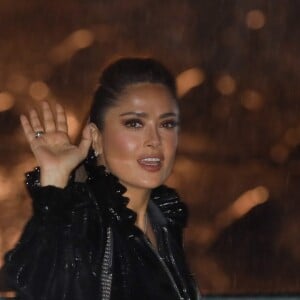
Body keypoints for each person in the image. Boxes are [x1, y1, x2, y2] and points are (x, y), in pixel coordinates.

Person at [4, 58, 200, 300]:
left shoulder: (163, 220)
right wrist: (55, 182)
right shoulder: (83, 222)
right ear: (96, 137)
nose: (155, 140)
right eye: (135, 123)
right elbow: (40, 282)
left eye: (167, 124)